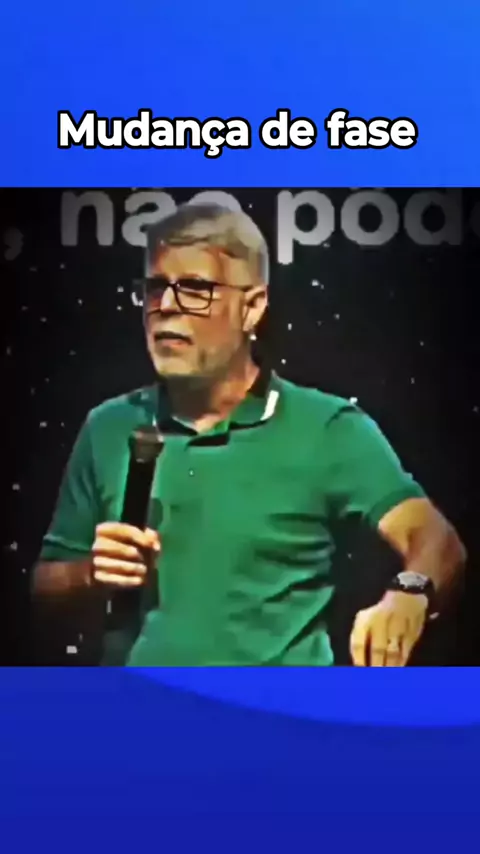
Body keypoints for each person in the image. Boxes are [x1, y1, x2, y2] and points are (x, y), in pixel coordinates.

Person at [32, 202, 466, 666]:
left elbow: (437, 542)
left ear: (252, 307)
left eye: (195, 288)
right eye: (155, 288)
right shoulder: (109, 426)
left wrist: (408, 593)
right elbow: (44, 589)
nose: (167, 307)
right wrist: (88, 575)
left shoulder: (327, 428)